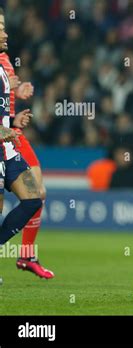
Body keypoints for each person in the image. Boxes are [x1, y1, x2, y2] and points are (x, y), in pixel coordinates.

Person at [0, 8, 54, 279]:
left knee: (37, 195)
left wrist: (15, 98)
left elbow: (3, 100)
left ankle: (26, 255)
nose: (5, 33)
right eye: (0, 28)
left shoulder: (5, 58)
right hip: (4, 133)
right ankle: (25, 255)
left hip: (10, 133)